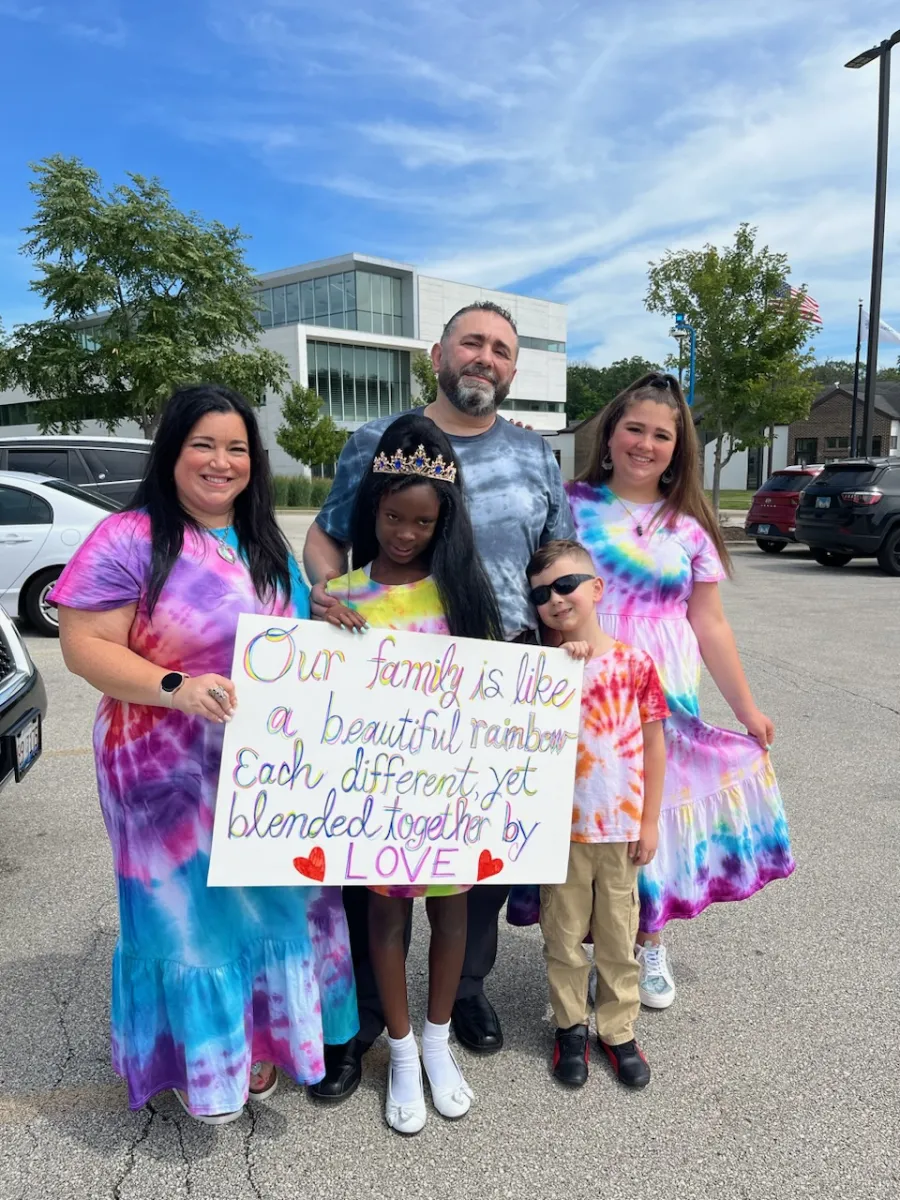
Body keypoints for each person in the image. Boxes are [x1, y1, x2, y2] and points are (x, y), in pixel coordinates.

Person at [50, 384, 358, 1123]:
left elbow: (272, 632)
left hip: (263, 773)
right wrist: (174, 686)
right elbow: (83, 646)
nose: (221, 463)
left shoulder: (259, 541)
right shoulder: (128, 536)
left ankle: (259, 1042)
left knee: (273, 907)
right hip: (165, 774)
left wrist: (317, 607)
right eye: (204, 445)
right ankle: (206, 1059)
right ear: (172, 452)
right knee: (191, 918)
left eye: (237, 448)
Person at [304, 300, 575, 1100]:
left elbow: (557, 550)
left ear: (512, 369)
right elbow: (326, 532)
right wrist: (323, 597)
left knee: (476, 863)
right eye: (472, 342)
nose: (484, 357)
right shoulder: (375, 442)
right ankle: (360, 1021)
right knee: (368, 864)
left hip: (500, 673)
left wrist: (573, 633)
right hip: (380, 674)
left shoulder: (533, 455)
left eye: (500, 349)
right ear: (438, 353)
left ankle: (462, 998)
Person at [551, 371, 795, 1009]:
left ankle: (646, 941)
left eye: (663, 434)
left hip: (665, 691)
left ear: (677, 447)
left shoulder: (690, 523)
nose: (646, 443)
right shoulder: (569, 502)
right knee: (588, 809)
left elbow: (708, 620)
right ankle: (581, 942)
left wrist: (746, 707)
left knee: (649, 815)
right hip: (588, 679)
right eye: (635, 428)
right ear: (610, 434)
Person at [323, 412, 504, 1133]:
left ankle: (436, 1040)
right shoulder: (345, 596)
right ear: (374, 512)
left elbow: (500, 693)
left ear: (442, 524)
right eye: (393, 518)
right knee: (386, 913)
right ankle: (399, 1050)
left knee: (452, 910)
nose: (404, 534)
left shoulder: (460, 595)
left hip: (450, 792)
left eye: (421, 524)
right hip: (377, 795)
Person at [527, 539, 668, 1090]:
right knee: (562, 937)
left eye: (566, 585)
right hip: (560, 835)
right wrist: (558, 661)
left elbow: (655, 746)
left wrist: (649, 820)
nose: (556, 599)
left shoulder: (635, 664)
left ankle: (617, 1029)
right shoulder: (543, 669)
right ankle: (569, 1027)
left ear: (595, 588)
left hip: (619, 829)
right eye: (542, 593)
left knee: (617, 935)